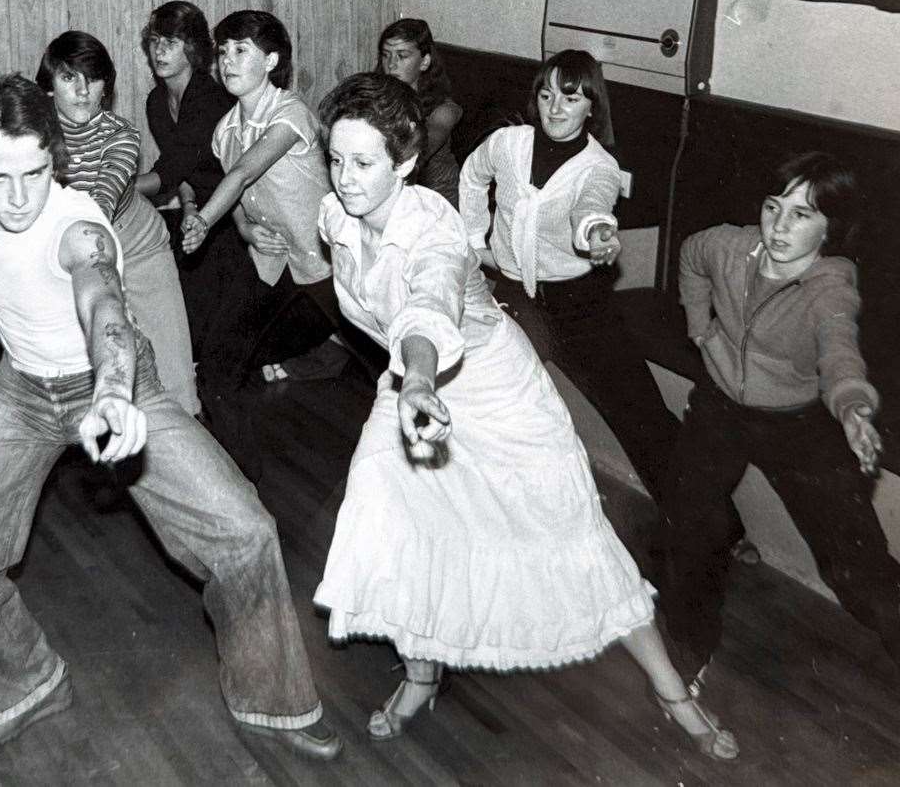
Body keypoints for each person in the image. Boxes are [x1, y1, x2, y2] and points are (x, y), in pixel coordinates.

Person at [0, 74, 341, 759]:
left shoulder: (76, 224)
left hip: (113, 382)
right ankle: (22, 685)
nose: (18, 197)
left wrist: (113, 389)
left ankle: (272, 699)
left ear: (57, 160)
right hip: (21, 394)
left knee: (246, 531)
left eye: (36, 173)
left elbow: (102, 302)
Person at [311, 73, 737, 760]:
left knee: (570, 530)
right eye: (335, 159)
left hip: (491, 389)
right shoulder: (337, 213)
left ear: (407, 163)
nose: (346, 178)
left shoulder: (434, 233)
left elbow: (427, 304)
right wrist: (410, 387)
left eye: (363, 164)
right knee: (393, 520)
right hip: (414, 393)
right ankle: (422, 673)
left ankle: (670, 690)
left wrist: (417, 377)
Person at [660, 152, 898, 691]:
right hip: (721, 405)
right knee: (691, 524)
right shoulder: (726, 246)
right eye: (774, 207)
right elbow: (691, 255)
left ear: (831, 228)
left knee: (856, 570)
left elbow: (840, 353)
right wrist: (700, 325)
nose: (779, 226)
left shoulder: (829, 289)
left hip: (801, 421)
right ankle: (689, 647)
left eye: (802, 214)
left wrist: (854, 410)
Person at [458, 49, 678, 513]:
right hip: (516, 294)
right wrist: (474, 240)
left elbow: (592, 207)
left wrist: (597, 232)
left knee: (638, 408)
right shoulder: (509, 143)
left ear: (591, 107)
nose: (555, 108)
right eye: (546, 94)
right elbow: (473, 176)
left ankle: (708, 520)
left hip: (580, 302)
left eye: (571, 98)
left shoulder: (598, 167)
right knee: (494, 394)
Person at [183, 10, 343, 411]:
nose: (227, 61)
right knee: (222, 359)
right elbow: (239, 197)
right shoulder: (226, 130)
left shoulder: (291, 114)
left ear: (271, 61)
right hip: (273, 259)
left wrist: (203, 220)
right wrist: (244, 229)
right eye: (222, 52)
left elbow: (242, 174)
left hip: (328, 262)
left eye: (241, 50)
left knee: (376, 349)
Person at [36, 31, 198, 417]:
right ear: (49, 87)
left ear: (106, 85)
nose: (82, 91)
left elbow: (102, 199)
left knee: (175, 376)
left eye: (92, 79)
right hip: (72, 251)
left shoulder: (121, 135)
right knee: (84, 373)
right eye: (68, 78)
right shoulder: (35, 137)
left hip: (138, 244)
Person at [134, 0, 243, 354]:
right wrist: (191, 204)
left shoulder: (209, 99)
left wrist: (110, 187)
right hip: (201, 208)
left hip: (237, 212)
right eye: (154, 41)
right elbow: (182, 169)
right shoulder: (156, 101)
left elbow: (169, 171)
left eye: (172, 42)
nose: (160, 50)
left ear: (193, 49)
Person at [375, 18, 462, 207]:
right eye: (385, 55)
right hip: (393, 198)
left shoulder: (444, 110)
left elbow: (419, 150)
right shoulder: (378, 101)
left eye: (402, 55)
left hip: (437, 207)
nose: (391, 64)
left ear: (424, 62)